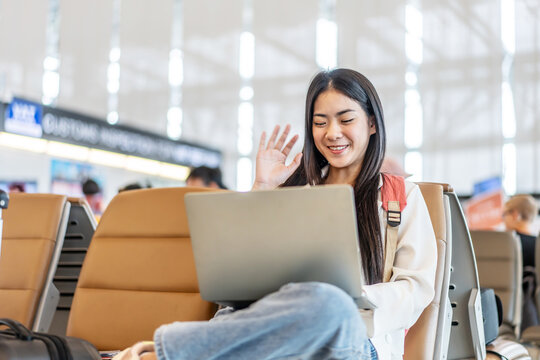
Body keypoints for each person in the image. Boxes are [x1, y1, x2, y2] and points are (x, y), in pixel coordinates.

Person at [114, 68, 437, 360]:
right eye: (320, 122)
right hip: (281, 337)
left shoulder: (400, 195)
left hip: (356, 339)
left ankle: (162, 353)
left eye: (346, 119)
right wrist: (263, 188)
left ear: (371, 123)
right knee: (263, 311)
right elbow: (240, 273)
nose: (332, 133)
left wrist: (352, 297)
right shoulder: (294, 191)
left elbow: (416, 288)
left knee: (328, 302)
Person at [503, 194, 539, 331]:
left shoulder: (503, 245)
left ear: (515, 214)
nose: (503, 220)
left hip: (507, 314)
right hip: (533, 318)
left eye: (504, 214)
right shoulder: (537, 245)